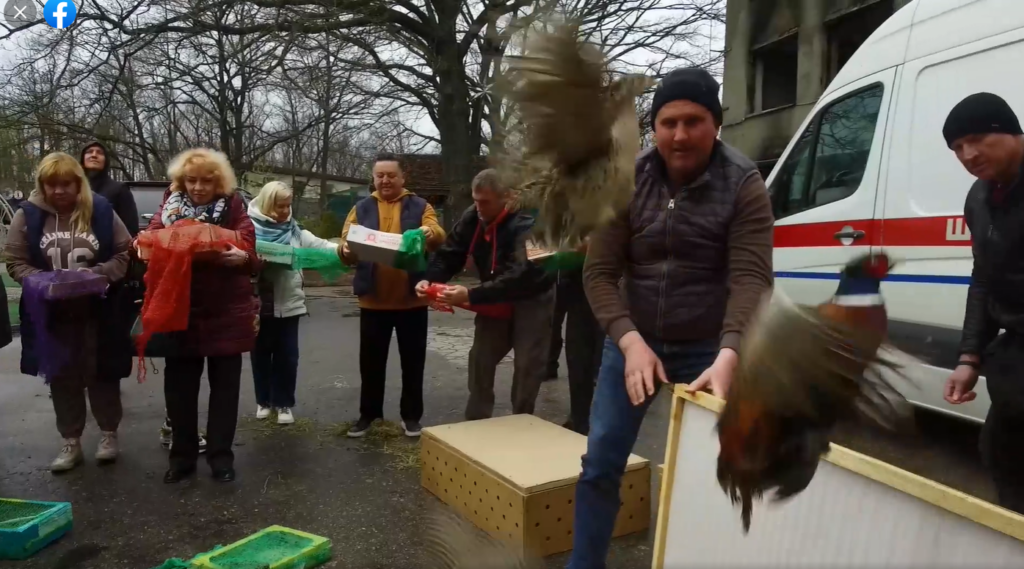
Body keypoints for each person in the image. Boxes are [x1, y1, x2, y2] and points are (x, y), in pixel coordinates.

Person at [569, 68, 774, 567]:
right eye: (668, 122)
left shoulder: (745, 184)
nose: (680, 135)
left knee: (717, 474)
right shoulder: (625, 182)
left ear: (716, 124)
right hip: (634, 341)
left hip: (710, 347)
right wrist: (629, 341)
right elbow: (598, 273)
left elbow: (752, 278)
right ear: (653, 127)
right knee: (600, 463)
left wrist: (730, 351)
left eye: (694, 121)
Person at [6, 152, 132, 472]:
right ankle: (70, 440)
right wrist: (40, 282)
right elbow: (15, 261)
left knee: (103, 372)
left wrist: (99, 274)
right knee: (62, 376)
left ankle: (108, 434)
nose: (59, 191)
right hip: (51, 313)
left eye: (66, 184)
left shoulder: (101, 211)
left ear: (79, 185)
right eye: (52, 185)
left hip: (98, 308)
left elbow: (124, 251)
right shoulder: (29, 215)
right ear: (42, 186)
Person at [142, 148, 260, 483]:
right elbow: (150, 236)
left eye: (206, 181)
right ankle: (182, 458)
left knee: (225, 389)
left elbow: (251, 247)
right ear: (181, 180)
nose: (197, 187)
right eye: (191, 180)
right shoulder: (168, 206)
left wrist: (243, 257)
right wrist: (146, 248)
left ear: (218, 182)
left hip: (226, 310)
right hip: (180, 308)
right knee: (179, 390)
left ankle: (221, 458)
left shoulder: (235, 206)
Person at [417, 169, 556, 421]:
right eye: (475, 200)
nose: (478, 207)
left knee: (527, 364)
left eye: (485, 202)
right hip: (494, 295)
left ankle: (522, 421)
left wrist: (471, 294)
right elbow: (450, 252)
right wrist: (430, 279)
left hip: (533, 297)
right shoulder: (473, 216)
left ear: (509, 197)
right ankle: (477, 420)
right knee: (481, 357)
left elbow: (524, 274)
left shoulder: (535, 221)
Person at [941, 92, 1024, 515]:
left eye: (975, 139)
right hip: (1015, 361)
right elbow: (984, 278)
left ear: (1010, 132)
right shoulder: (979, 199)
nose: (967, 154)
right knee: (1001, 456)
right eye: (957, 148)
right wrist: (969, 356)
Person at [340, 153, 446, 438]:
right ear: (373, 179)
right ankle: (369, 414)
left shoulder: (420, 205)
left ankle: (411, 417)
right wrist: (346, 250)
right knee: (371, 363)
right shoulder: (361, 208)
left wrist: (428, 231)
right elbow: (346, 240)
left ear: (403, 177)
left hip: (412, 300)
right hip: (373, 300)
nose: (385, 180)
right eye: (380, 176)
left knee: (413, 363)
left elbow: (437, 233)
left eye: (391, 175)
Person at [249, 181, 342, 424]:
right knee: (260, 355)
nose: (284, 211)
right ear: (267, 204)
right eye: (279, 206)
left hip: (289, 304)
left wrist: (344, 250)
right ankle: (263, 401)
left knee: (288, 357)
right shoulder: (247, 229)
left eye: (288, 206)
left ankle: (284, 404)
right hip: (258, 305)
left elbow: (322, 246)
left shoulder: (295, 231)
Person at [547, 240, 603, 435]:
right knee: (578, 358)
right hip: (576, 289)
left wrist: (595, 246)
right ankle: (579, 420)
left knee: (604, 359)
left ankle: (602, 422)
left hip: (608, 291)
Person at [80, 141, 140, 236]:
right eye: (89, 151)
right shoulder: (74, 189)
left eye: (100, 153)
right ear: (82, 159)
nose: (94, 155)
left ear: (106, 161)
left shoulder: (119, 189)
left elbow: (130, 229)